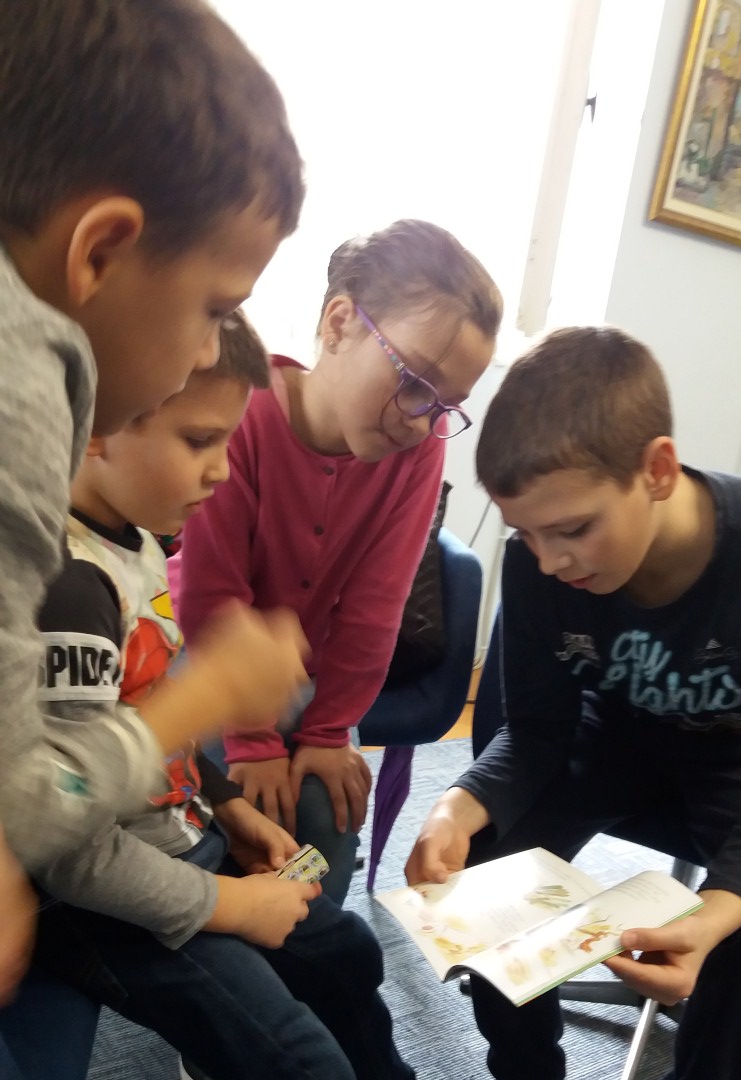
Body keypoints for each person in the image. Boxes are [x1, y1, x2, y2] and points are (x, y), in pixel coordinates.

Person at [29, 315, 490, 1080]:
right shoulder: (68, 589)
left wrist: (229, 809)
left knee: (344, 946)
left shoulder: (135, 540)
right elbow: (64, 840)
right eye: (199, 442)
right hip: (106, 897)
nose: (217, 469)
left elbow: (150, 719)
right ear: (96, 428)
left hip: (178, 837)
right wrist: (227, 903)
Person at [406, 326, 741, 1080]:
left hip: (738, 770)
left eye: (572, 530)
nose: (550, 562)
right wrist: (457, 805)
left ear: (658, 469)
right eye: (528, 537)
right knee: (482, 868)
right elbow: (535, 733)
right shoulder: (542, 559)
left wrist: (714, 914)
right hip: (608, 743)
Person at [0, 0, 308, 1004]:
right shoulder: (21, 393)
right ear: (100, 252)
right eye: (216, 310)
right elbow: (28, 807)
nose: (210, 350)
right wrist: (205, 698)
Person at [174, 219, 503, 907]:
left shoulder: (420, 448)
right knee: (239, 814)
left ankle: (305, 942)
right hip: (202, 662)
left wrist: (327, 732)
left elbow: (375, 607)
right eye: (415, 382)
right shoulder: (244, 410)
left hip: (311, 682)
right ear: (339, 323)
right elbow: (211, 594)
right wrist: (251, 738)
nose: (423, 420)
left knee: (326, 822)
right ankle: (225, 925)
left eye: (447, 405)